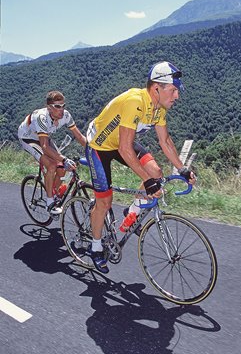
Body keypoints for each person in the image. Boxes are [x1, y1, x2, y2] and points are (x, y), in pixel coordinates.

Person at [85, 61, 196, 273]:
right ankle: (96, 246)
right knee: (105, 201)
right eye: (173, 90)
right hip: (99, 146)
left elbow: (165, 141)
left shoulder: (158, 107)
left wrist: (182, 169)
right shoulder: (135, 101)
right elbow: (126, 149)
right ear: (156, 88)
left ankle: (132, 211)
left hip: (120, 142)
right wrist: (147, 181)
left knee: (155, 171)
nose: (176, 96)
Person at [18, 90, 86, 214]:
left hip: (43, 138)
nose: (61, 109)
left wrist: (94, 152)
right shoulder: (41, 117)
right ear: (49, 108)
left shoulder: (65, 115)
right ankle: (49, 202)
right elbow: (44, 147)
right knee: (52, 165)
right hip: (28, 138)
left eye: (63, 106)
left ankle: (53, 192)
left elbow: (80, 137)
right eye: (57, 106)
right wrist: (64, 159)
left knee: (62, 168)